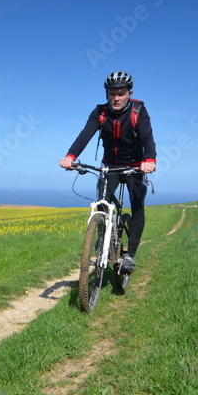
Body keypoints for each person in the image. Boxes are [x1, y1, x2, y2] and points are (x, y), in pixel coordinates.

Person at [60, 70, 156, 274]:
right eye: (112, 93)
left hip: (135, 165)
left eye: (121, 93)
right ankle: (102, 236)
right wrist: (71, 156)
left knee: (138, 206)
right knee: (102, 204)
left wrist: (150, 160)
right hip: (109, 165)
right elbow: (85, 135)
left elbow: (148, 137)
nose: (116, 98)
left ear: (130, 93)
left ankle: (130, 254)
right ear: (107, 94)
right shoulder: (100, 113)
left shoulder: (138, 111)